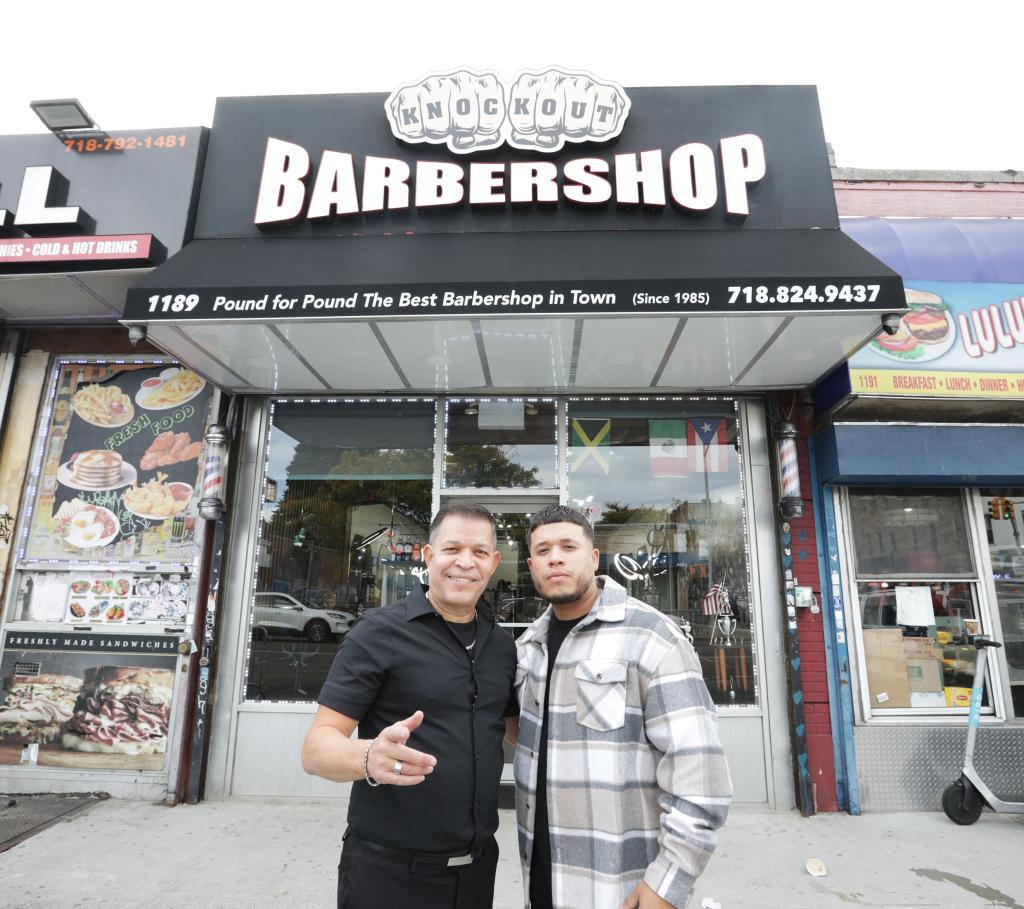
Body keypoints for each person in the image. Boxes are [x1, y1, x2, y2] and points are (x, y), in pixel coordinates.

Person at [301, 502, 517, 909]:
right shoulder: (378, 633)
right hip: (389, 875)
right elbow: (315, 750)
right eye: (452, 549)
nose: (465, 563)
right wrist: (368, 757)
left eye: (479, 552)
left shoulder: (502, 647)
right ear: (429, 556)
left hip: (478, 871)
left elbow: (515, 731)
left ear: (494, 563)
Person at [514, 505, 732, 909]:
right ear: (531, 565)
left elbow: (698, 770)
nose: (555, 557)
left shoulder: (651, 637)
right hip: (542, 878)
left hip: (620, 885)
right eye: (543, 550)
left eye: (568, 546)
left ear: (593, 558)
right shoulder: (529, 646)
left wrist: (669, 882)